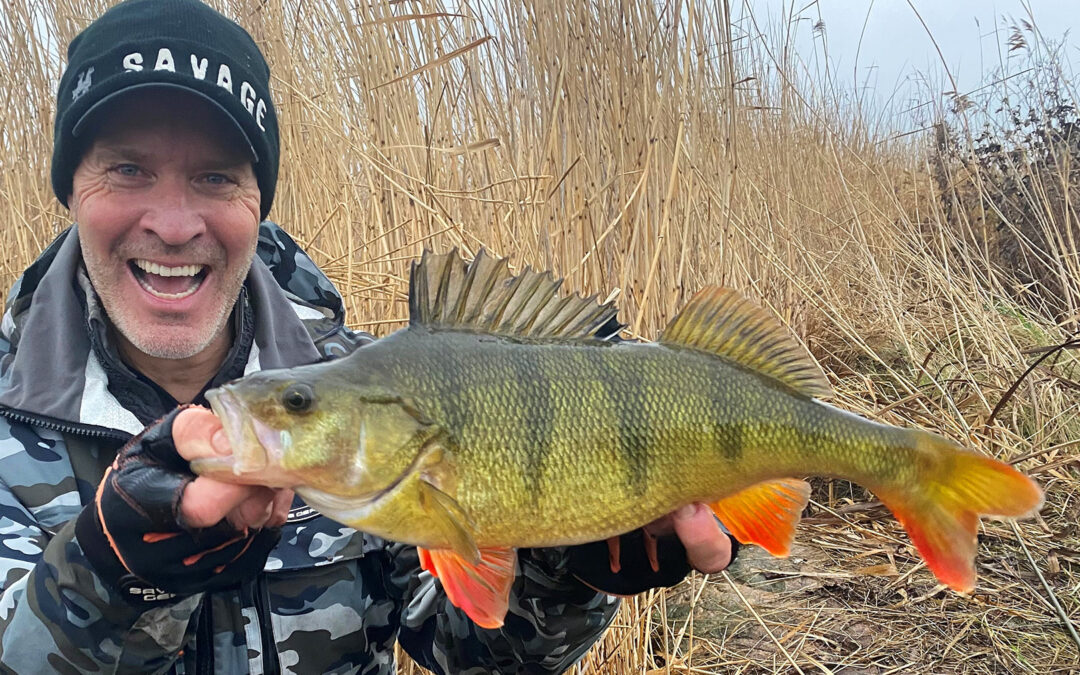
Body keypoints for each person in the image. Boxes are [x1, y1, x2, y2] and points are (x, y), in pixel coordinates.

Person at [0, 0, 735, 672]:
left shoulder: (368, 388)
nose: (173, 222)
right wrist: (113, 576)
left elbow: (473, 652)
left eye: (217, 177)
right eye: (127, 169)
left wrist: (566, 573)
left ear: (258, 200)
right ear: (70, 187)